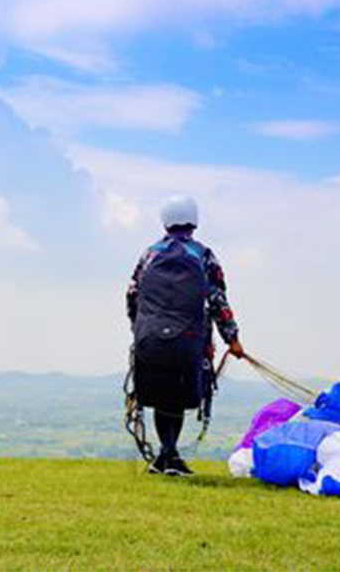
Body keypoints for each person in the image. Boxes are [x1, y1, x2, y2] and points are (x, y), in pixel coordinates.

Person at [126, 194, 244, 476]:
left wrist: (139, 329)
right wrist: (233, 339)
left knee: (159, 393)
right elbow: (217, 300)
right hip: (189, 339)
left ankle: (167, 454)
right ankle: (170, 455)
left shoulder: (150, 253)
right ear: (195, 219)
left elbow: (132, 294)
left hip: (150, 338)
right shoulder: (203, 255)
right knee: (176, 396)